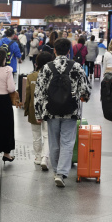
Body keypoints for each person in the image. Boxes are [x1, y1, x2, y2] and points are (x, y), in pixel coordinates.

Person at [34, 38, 91, 187]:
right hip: (70, 111)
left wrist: (38, 113)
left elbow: (39, 91)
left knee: (54, 142)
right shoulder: (77, 67)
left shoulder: (47, 67)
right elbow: (85, 90)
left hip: (51, 111)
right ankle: (61, 173)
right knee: (67, 142)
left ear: (54, 50)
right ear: (68, 51)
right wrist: (84, 97)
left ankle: (55, 171)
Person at [25, 52, 54, 171]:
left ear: (37, 63)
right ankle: (44, 158)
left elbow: (27, 96)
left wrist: (26, 109)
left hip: (33, 108)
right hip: (48, 109)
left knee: (36, 135)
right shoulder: (52, 76)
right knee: (47, 135)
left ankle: (37, 157)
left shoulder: (31, 77)